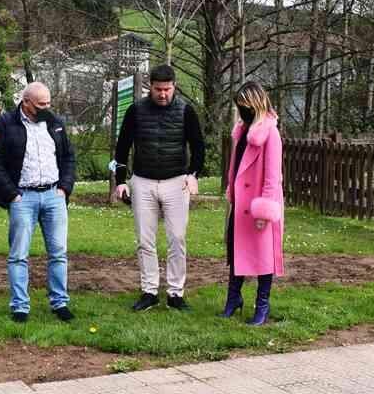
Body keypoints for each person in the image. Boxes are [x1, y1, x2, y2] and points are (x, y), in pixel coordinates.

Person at [113, 65, 205, 311]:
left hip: (177, 181)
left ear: (174, 86)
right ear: (150, 87)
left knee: (177, 239)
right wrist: (121, 181)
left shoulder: (186, 111)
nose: (162, 94)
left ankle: (176, 293)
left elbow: (198, 147)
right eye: (157, 89)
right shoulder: (136, 110)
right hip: (143, 181)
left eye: (167, 89)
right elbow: (122, 147)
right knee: (145, 240)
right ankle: (149, 291)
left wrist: (193, 174)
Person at [0, 82, 76, 323]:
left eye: (48, 103)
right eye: (41, 105)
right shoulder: (5, 123)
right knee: (18, 255)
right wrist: (12, 194)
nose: (47, 108)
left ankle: (60, 303)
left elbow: (68, 157)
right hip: (22, 197)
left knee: (58, 253)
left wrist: (65, 188)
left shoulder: (55, 123)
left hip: (54, 195)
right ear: (26, 102)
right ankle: (20, 307)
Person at [221, 81, 285, 325]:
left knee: (263, 255)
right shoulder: (241, 132)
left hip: (259, 205)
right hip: (240, 203)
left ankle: (262, 306)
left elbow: (272, 177)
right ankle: (233, 299)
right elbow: (234, 167)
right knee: (236, 250)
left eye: (245, 106)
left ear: (256, 104)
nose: (241, 111)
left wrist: (265, 210)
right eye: (240, 107)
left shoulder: (270, 134)